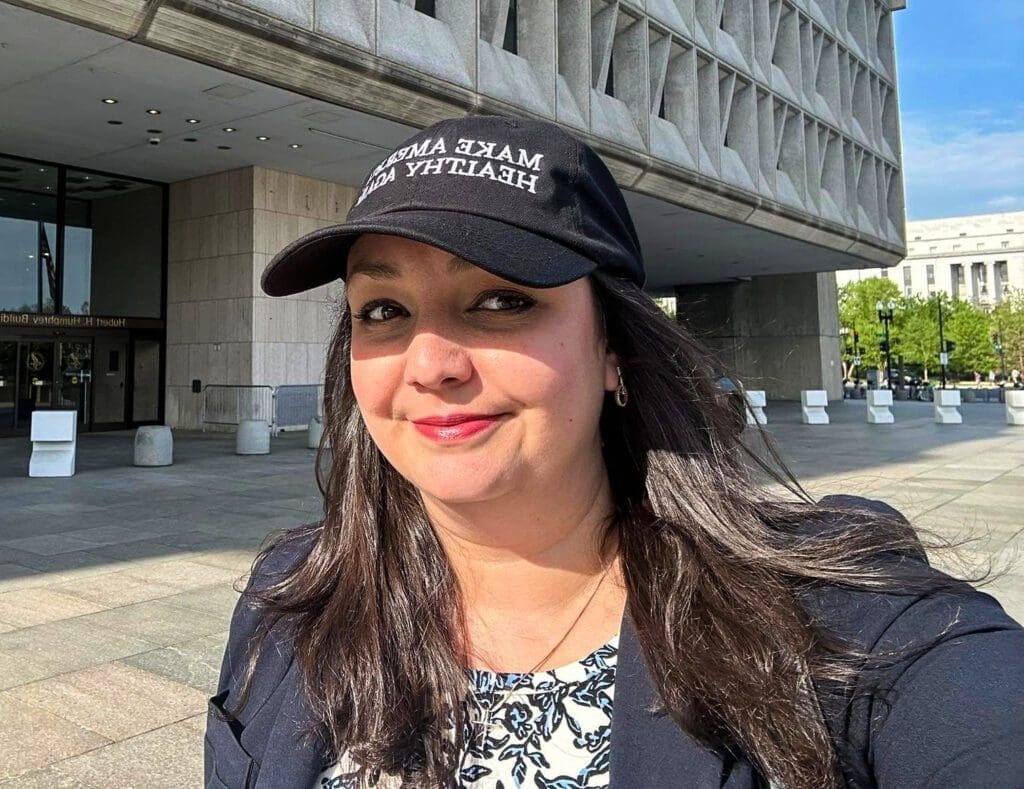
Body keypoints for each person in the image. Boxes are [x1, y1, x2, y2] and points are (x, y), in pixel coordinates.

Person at [205, 116, 1024, 789]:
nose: (430, 364)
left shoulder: (845, 627)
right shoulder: (288, 603)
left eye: (501, 300)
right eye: (384, 310)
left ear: (613, 347)